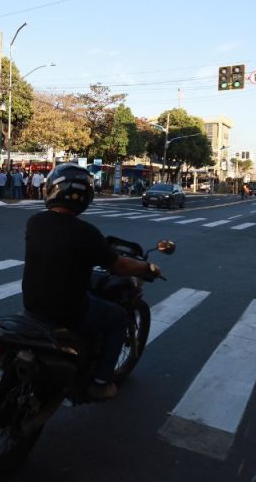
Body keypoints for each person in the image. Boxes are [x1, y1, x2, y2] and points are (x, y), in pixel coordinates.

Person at [22, 163, 161, 401]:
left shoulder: (35, 222)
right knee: (117, 317)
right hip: (69, 310)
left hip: (32, 304)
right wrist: (146, 267)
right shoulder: (86, 232)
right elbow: (119, 265)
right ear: (85, 196)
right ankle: (99, 382)